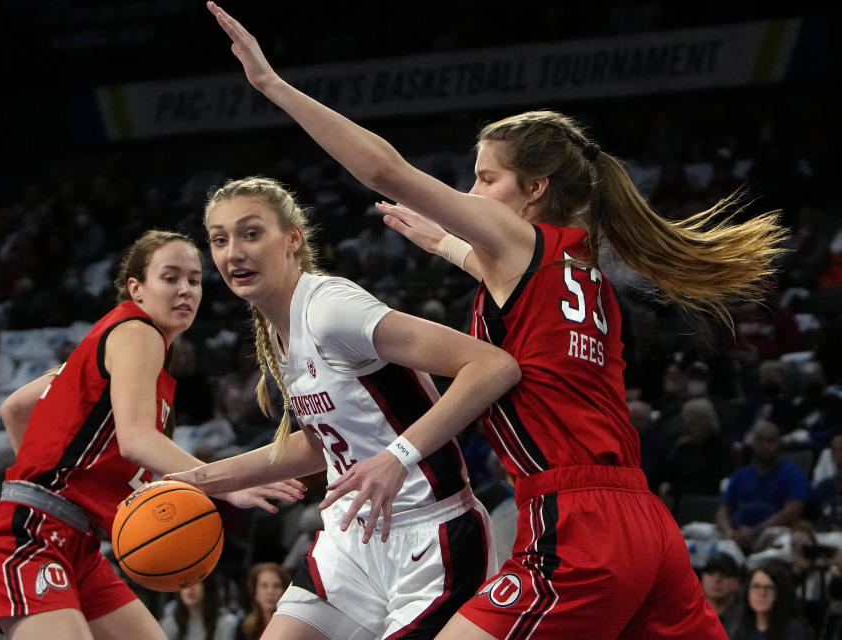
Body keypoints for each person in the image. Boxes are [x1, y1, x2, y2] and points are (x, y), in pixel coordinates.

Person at [201, 3, 787, 637]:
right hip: (645, 520)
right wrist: (445, 246)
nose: (472, 195)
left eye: (485, 178)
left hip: (574, 520)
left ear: (533, 189)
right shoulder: (581, 269)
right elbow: (512, 291)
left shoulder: (516, 240)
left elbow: (384, 170)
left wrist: (273, 86)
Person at [170, 176, 520, 640]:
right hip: (349, 540)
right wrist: (202, 480)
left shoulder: (332, 308)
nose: (233, 251)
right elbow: (324, 443)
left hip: (431, 538)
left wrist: (399, 456)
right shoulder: (278, 329)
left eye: (251, 233)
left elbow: (492, 365)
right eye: (220, 239)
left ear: (293, 238)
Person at [0, 229, 303, 640]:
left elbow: (15, 407)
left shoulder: (124, 348)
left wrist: (61, 480)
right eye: (171, 277)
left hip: (78, 544)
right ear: (136, 288)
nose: (185, 290)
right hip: (28, 534)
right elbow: (136, 439)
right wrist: (225, 484)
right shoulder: (137, 332)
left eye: (194, 280)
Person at [717, 421, 809, 552]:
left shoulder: (793, 473)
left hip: (768, 533)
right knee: (695, 532)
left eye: (770, 441)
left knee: (780, 537)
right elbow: (723, 510)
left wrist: (755, 530)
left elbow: (793, 510)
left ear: (779, 443)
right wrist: (729, 531)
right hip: (736, 534)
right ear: (753, 444)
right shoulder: (740, 474)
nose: (764, 446)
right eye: (759, 441)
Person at [731, 560, 811, 639]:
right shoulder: (741, 630)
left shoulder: (794, 630)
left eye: (769, 588)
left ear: (780, 593)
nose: (762, 593)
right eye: (756, 586)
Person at [159, 575, 240, 640]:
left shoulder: (226, 622)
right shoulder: (169, 624)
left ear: (207, 587)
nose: (190, 588)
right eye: (184, 583)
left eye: (196, 582)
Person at [237, 563, 289, 640]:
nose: (270, 591)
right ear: (255, 593)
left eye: (276, 586)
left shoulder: (293, 629)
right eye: (264, 585)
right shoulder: (244, 630)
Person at [701, 552, 745, 637]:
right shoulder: (687, 614)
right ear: (702, 577)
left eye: (725, 574)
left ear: (737, 582)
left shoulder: (747, 618)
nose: (717, 579)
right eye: (711, 573)